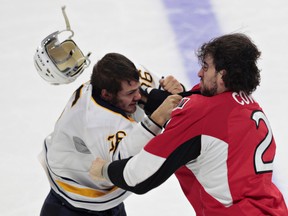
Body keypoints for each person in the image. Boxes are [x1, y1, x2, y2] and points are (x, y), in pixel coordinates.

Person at [90, 33, 288, 216]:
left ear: (222, 75)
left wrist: (104, 170)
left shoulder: (202, 114)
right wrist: (144, 96)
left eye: (206, 66)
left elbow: (140, 177)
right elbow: (187, 101)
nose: (199, 72)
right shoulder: (248, 104)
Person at [38, 52, 183, 216]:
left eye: (137, 89)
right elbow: (125, 162)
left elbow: (167, 95)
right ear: (106, 94)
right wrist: (156, 119)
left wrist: (176, 90)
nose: (137, 95)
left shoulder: (129, 77)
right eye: (130, 94)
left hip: (106, 201)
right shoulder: (93, 120)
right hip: (71, 204)